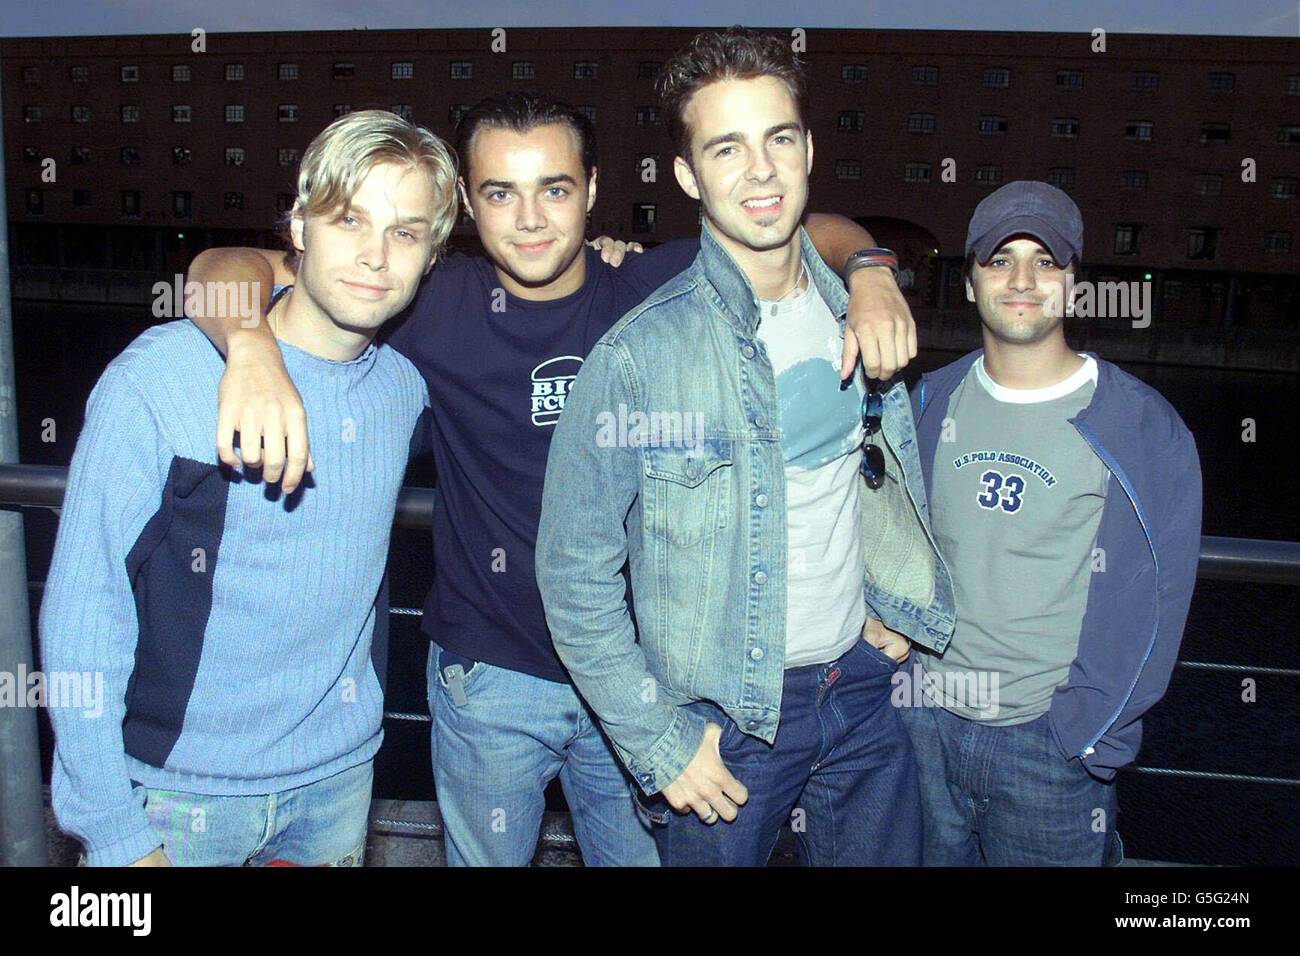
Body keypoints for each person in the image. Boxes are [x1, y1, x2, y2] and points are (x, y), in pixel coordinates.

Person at [186, 90, 916, 866]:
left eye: (555, 189)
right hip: (489, 678)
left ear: (594, 191)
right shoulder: (433, 299)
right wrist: (250, 346)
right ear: (467, 201)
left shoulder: (649, 291)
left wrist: (870, 274)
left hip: (632, 684)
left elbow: (805, 233)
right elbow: (216, 268)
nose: (530, 218)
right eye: (502, 192)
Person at [535, 27, 956, 867]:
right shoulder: (638, 358)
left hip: (863, 689)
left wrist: (898, 600)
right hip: (725, 725)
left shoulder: (858, 311)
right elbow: (572, 572)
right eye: (727, 148)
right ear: (689, 175)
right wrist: (656, 738)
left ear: (808, 150)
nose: (760, 171)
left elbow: (874, 478)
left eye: (779, 139)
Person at [41, 110, 459, 866]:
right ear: (298, 228)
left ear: (431, 257)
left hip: (338, 783)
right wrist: (112, 831)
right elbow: (84, 607)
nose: (374, 255)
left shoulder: (403, 389)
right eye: (348, 219)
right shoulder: (164, 377)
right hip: (177, 795)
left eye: (405, 232)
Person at [896, 180, 1203, 865]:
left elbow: (1157, 601)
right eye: (1001, 260)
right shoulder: (928, 400)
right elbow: (893, 536)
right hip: (922, 726)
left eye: (1046, 260)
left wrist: (1087, 732)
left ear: (1074, 283)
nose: (1023, 279)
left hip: (1049, 746)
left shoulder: (1139, 425)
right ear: (971, 282)